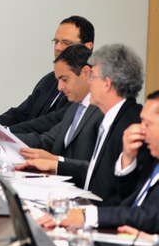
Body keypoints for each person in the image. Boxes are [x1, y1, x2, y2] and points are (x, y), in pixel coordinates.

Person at [21, 44, 148, 205]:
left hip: (99, 214)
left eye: (92, 76)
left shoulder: (129, 123)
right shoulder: (111, 115)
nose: (89, 82)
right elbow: (97, 172)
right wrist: (56, 165)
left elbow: (117, 188)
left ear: (107, 83)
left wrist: (86, 215)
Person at [40, 90, 159, 233]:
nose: (141, 130)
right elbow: (126, 197)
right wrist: (127, 157)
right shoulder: (153, 159)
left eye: (148, 124)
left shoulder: (126, 119)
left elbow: (150, 215)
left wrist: (88, 216)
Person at [0, 16, 94, 136]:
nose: (58, 47)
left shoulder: (88, 85)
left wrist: (3, 131)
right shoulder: (49, 79)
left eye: (66, 42)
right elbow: (21, 112)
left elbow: (54, 121)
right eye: (56, 41)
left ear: (87, 47)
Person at [16, 45, 103, 164]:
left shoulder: (102, 111)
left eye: (65, 80)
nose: (59, 87)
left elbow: (96, 168)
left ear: (86, 73)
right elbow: (45, 141)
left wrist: (57, 163)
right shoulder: (74, 108)